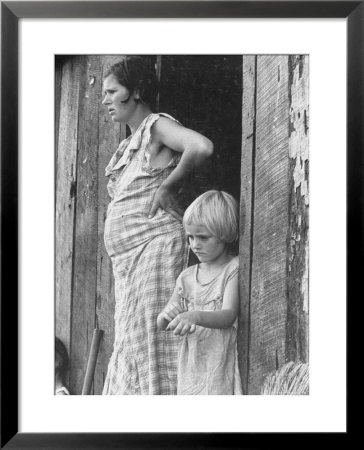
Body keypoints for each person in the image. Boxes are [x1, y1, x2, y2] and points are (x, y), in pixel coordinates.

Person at [101, 56, 213, 395]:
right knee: (132, 342)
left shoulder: (156, 126)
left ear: (135, 91)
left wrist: (168, 186)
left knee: (152, 342)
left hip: (156, 250)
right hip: (129, 265)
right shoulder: (128, 144)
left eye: (111, 91)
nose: (105, 100)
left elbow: (201, 146)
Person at [157, 190, 242, 395]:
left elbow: (228, 315)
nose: (195, 244)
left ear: (224, 234)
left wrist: (194, 315)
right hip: (192, 363)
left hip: (218, 361)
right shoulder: (186, 277)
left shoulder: (233, 268)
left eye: (203, 237)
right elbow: (165, 320)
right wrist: (165, 317)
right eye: (190, 237)